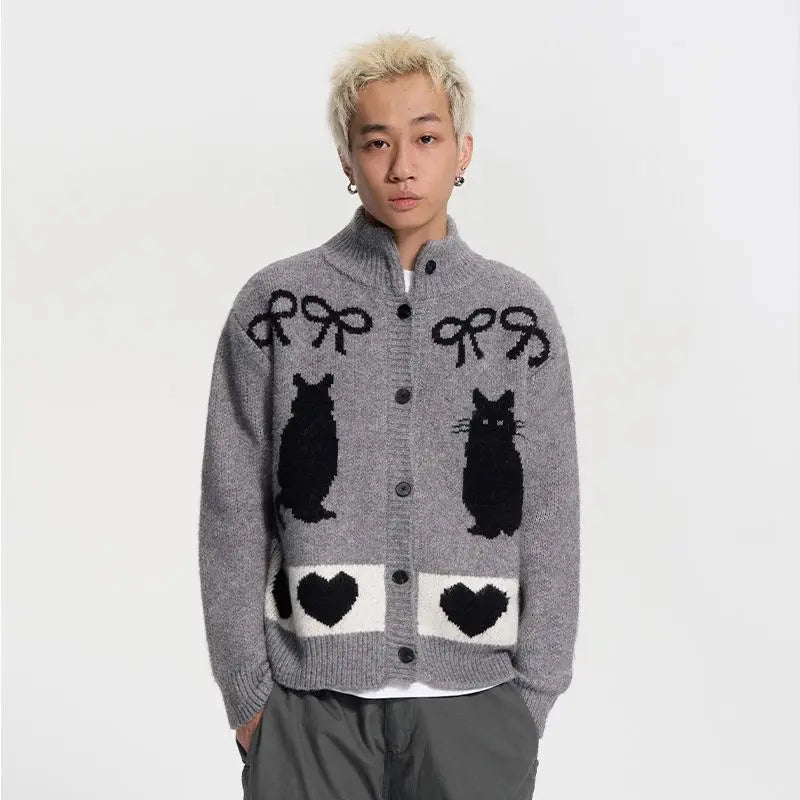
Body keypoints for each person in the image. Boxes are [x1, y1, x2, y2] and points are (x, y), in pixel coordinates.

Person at [198, 31, 580, 800]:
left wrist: (533, 694)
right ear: (347, 159)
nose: (402, 165)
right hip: (308, 712)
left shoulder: (518, 316)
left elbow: (551, 507)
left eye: (426, 138)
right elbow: (233, 507)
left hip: (478, 708)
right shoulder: (275, 307)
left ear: (462, 151)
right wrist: (248, 693)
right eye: (376, 142)